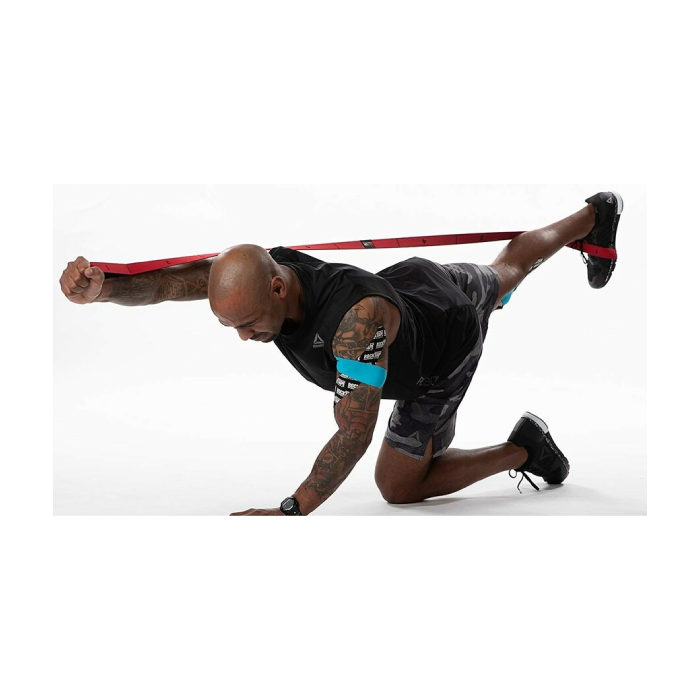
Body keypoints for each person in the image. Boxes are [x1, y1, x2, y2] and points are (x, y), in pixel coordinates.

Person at [59, 191, 623, 515]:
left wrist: (293, 508)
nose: (243, 337)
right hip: (422, 283)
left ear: (277, 287)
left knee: (398, 487)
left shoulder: (356, 326)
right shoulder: (260, 273)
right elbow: (166, 283)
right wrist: (103, 289)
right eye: (230, 325)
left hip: (442, 351)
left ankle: (523, 449)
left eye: (248, 325)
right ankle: (595, 215)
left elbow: (353, 433)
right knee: (506, 270)